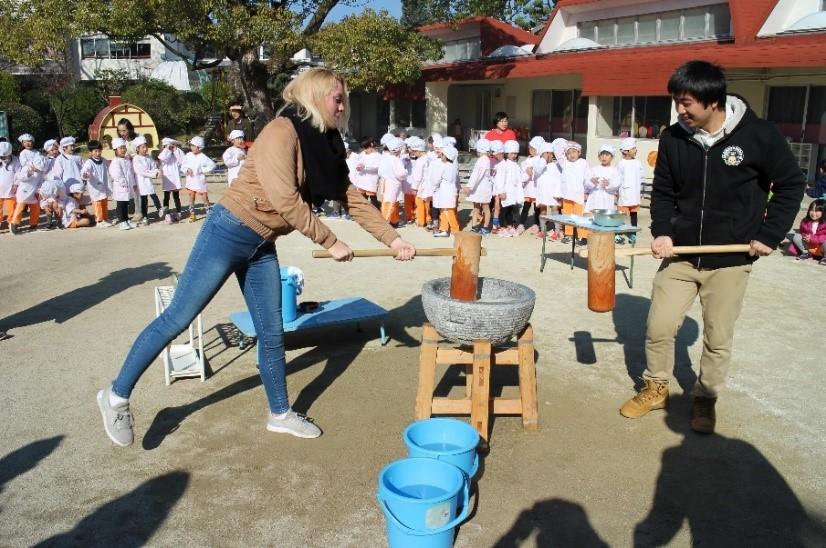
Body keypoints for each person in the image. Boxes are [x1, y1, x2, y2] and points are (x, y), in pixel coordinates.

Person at [97, 67, 416, 447]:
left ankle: (279, 413)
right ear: (316, 96)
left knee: (271, 331)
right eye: (338, 98)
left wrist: (392, 240)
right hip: (228, 231)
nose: (343, 105)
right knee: (178, 317)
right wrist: (330, 240)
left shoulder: (326, 140)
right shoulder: (281, 132)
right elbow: (284, 198)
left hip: (261, 245)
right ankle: (115, 396)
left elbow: (350, 195)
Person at [619, 60, 805, 433]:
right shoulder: (673, 138)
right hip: (681, 255)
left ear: (714, 101)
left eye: (687, 102)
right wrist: (661, 232)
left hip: (732, 258)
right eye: (676, 101)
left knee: (718, 336)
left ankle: (705, 398)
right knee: (659, 325)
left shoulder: (759, 135)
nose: (680, 110)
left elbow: (790, 184)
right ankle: (656, 388)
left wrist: (769, 235)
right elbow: (664, 192)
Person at [559, 141, 588, 245]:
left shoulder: (583, 162)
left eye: (574, 152)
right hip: (567, 194)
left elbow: (587, 177)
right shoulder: (564, 162)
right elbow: (557, 149)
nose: (571, 154)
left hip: (579, 194)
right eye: (569, 152)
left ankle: (582, 236)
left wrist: (587, 190)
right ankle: (569, 234)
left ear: (579, 152)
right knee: (568, 216)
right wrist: (566, 143)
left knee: (579, 216)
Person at [616, 137, 644, 244]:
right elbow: (617, 178)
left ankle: (633, 234)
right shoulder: (621, 163)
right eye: (633, 148)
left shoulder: (638, 162)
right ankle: (617, 233)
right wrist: (616, 192)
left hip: (635, 194)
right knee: (621, 215)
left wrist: (640, 191)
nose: (635, 150)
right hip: (624, 194)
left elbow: (641, 177)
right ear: (626, 151)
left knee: (634, 215)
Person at [181, 136, 216, 222]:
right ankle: (192, 214)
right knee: (191, 196)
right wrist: (186, 170)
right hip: (190, 180)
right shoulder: (188, 155)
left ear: (199, 148)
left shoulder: (203, 157)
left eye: (194, 146)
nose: (191, 147)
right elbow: (183, 166)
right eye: (191, 145)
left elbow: (212, 165)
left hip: (200, 180)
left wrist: (201, 170)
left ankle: (208, 212)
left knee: (204, 196)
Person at [518, 136, 546, 235]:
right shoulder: (527, 160)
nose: (530, 150)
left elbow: (539, 172)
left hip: (537, 188)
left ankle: (536, 224)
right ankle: (521, 224)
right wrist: (527, 172)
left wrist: (532, 171)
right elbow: (524, 169)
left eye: (533, 149)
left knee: (536, 207)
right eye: (530, 148)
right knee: (525, 207)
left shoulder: (541, 160)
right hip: (528, 188)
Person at [132, 136, 163, 224]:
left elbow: (154, 166)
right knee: (144, 199)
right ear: (137, 149)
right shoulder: (136, 159)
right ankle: (145, 216)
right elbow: (141, 171)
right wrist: (154, 174)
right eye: (143, 147)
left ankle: (160, 209)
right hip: (140, 181)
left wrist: (157, 171)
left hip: (148, 181)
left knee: (153, 195)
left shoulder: (149, 157)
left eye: (146, 147)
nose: (145, 149)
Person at [81, 140, 112, 227]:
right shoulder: (89, 162)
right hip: (95, 187)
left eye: (99, 151)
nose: (98, 153)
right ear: (90, 152)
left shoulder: (103, 160)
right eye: (95, 151)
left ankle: (105, 218)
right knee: (97, 203)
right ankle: (99, 220)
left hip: (104, 185)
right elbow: (84, 171)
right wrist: (85, 175)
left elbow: (110, 166)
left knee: (104, 202)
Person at [108, 137, 137, 230]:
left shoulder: (126, 160)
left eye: (124, 148)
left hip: (128, 186)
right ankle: (121, 221)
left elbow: (130, 173)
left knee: (126, 204)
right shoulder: (115, 161)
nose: (123, 150)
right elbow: (116, 174)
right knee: (120, 205)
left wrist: (133, 183)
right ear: (115, 150)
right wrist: (123, 183)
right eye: (121, 148)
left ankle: (126, 219)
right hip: (121, 187)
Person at [466, 138, 493, 234]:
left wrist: (470, 186)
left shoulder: (482, 160)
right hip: (483, 187)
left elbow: (476, 175)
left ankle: (480, 227)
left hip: (480, 187)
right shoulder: (486, 160)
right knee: (483, 208)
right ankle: (478, 227)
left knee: (481, 207)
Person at [433, 145, 460, 237]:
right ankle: (444, 229)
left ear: (446, 156)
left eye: (442, 154)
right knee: (444, 210)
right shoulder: (453, 166)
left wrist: (434, 187)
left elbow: (437, 179)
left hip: (445, 191)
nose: (441, 155)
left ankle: (455, 229)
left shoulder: (444, 166)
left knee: (447, 210)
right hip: (451, 190)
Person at [787, 199, 826, 264]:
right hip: (810, 247)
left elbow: (824, 236)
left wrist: (812, 239)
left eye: (816, 211)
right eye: (811, 210)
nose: (813, 213)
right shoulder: (805, 221)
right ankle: (806, 253)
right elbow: (802, 232)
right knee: (797, 236)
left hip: (821, 248)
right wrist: (805, 237)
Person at [584, 144, 620, 213]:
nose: (604, 157)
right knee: (592, 216)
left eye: (607, 155)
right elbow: (586, 182)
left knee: (605, 216)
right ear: (599, 157)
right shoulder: (594, 169)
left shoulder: (615, 170)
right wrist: (591, 182)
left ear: (612, 157)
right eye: (602, 155)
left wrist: (609, 184)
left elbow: (617, 184)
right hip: (594, 198)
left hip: (607, 198)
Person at [157, 137, 185, 223]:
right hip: (168, 179)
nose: (170, 148)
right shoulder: (163, 154)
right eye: (166, 146)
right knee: (166, 197)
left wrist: (175, 150)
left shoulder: (176, 154)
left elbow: (183, 160)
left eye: (171, 146)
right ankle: (167, 213)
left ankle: (179, 212)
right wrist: (167, 149)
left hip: (175, 179)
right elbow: (162, 158)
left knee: (176, 197)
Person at [352, 137, 381, 208]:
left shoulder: (378, 156)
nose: (365, 150)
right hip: (361, 180)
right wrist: (358, 166)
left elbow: (377, 167)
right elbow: (357, 161)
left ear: (371, 146)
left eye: (366, 148)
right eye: (363, 148)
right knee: (362, 199)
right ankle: (364, 213)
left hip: (371, 180)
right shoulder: (363, 154)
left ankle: (377, 213)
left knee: (373, 199)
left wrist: (365, 167)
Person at [0, 141, 20, 230]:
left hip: (11, 187)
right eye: (2, 156)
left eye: (6, 156)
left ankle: (12, 222)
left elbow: (18, 173)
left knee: (12, 206)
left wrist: (16, 184)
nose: (4, 158)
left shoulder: (15, 160)